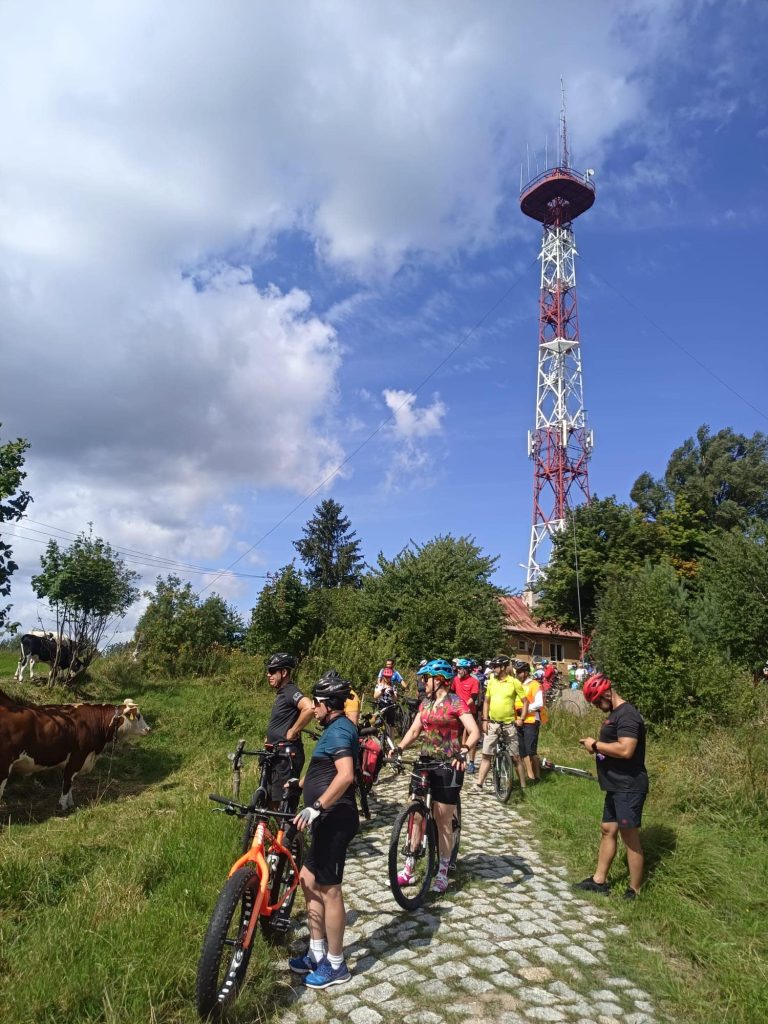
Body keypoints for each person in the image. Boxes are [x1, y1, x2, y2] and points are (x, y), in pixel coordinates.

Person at [289, 672, 359, 988]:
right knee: (307, 879)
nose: (313, 709)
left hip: (335, 818)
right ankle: (316, 952)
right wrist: (301, 784)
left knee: (330, 889)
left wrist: (315, 806)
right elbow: (324, 771)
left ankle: (336, 964)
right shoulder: (332, 729)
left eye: (316, 703)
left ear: (326, 704)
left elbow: (345, 775)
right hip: (324, 819)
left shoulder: (342, 729)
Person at [392, 658, 479, 893]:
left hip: (448, 763)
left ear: (439, 679)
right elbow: (414, 730)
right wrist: (399, 748)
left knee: (442, 820)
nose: (422, 682)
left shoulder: (455, 703)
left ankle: (442, 870)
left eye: (425, 678)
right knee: (416, 814)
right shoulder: (425, 704)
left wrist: (463, 751)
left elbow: (474, 731)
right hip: (425, 761)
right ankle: (409, 865)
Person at [574, 672, 649, 901]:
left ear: (607, 692)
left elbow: (626, 749)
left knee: (630, 837)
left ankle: (634, 890)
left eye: (598, 700)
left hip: (629, 786)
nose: (597, 705)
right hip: (615, 785)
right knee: (607, 829)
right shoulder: (615, 714)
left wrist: (595, 745)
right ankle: (599, 880)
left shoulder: (627, 715)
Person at [265, 652, 314, 808]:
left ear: (284, 672)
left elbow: (309, 708)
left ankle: (291, 832)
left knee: (282, 805)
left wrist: (293, 730)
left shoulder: (290, 691)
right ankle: (278, 832)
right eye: (268, 671)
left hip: (286, 757)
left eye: (273, 671)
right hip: (276, 754)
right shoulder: (282, 693)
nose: (269, 675)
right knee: (270, 800)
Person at [475, 655, 529, 791]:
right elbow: (486, 701)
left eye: (495, 667)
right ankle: (479, 784)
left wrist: (521, 719)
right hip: (492, 723)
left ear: (503, 667)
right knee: (487, 754)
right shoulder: (492, 682)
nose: (493, 669)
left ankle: (523, 786)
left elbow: (525, 702)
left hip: (509, 723)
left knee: (515, 757)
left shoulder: (514, 682)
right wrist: (485, 720)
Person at [514, 661, 544, 783]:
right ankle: (530, 776)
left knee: (531, 750)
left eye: (520, 672)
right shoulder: (516, 685)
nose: (518, 674)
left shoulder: (535, 685)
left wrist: (525, 710)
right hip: (518, 720)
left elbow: (539, 703)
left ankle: (537, 775)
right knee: (523, 750)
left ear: (526, 673)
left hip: (531, 720)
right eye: (517, 672)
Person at [452, 658, 480, 773]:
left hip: (469, 712)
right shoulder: (455, 680)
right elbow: (452, 693)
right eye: (457, 669)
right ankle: (458, 758)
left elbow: (473, 698)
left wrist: (463, 706)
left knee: (470, 737)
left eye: (460, 669)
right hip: (457, 711)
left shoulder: (474, 681)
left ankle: (472, 762)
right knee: (457, 737)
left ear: (466, 670)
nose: (458, 671)